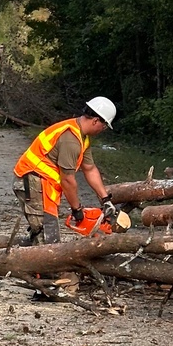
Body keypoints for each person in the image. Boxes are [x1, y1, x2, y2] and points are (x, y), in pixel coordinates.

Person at [13, 97, 119, 244]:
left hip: (43, 183)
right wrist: (77, 210)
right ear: (95, 120)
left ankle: (29, 251)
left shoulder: (82, 137)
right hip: (31, 180)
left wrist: (106, 200)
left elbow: (89, 169)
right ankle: (28, 259)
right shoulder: (71, 140)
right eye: (105, 125)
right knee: (48, 237)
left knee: (45, 232)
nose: (103, 130)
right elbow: (67, 180)